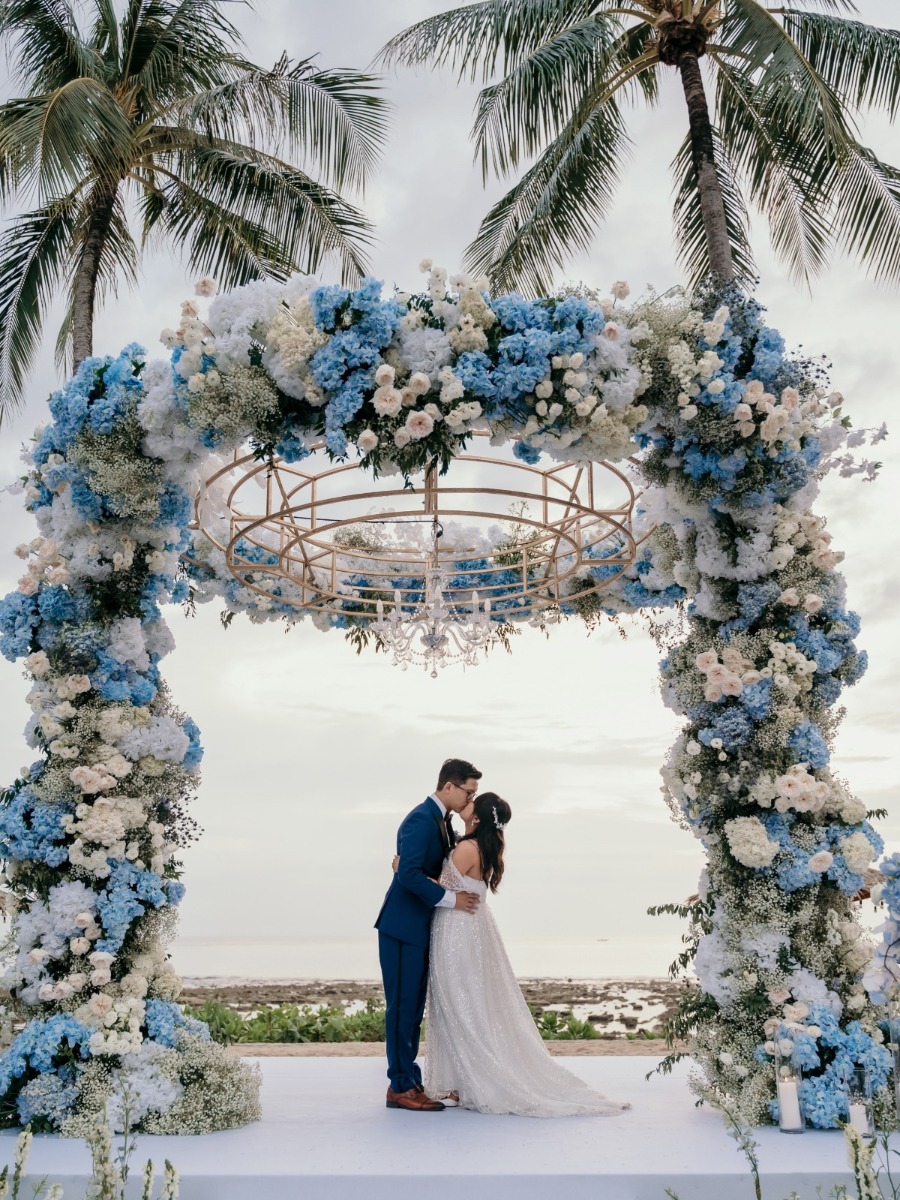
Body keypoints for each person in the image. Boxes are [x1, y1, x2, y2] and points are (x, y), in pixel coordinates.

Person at [425, 792, 630, 1117]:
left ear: (476, 817)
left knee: (458, 1003)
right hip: (474, 929)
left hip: (458, 931)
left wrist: (402, 869)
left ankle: (471, 1077)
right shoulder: (483, 847)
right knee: (470, 1002)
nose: (468, 801)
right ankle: (458, 1079)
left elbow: (440, 889)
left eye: (473, 802)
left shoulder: (467, 848)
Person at [374, 757, 483, 1112]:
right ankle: (400, 1086)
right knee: (402, 1008)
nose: (470, 800)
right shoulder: (422, 819)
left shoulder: (443, 821)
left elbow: (423, 868)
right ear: (448, 786)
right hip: (402, 926)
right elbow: (407, 873)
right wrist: (452, 899)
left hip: (418, 927)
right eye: (468, 792)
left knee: (413, 1008)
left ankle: (408, 1076)